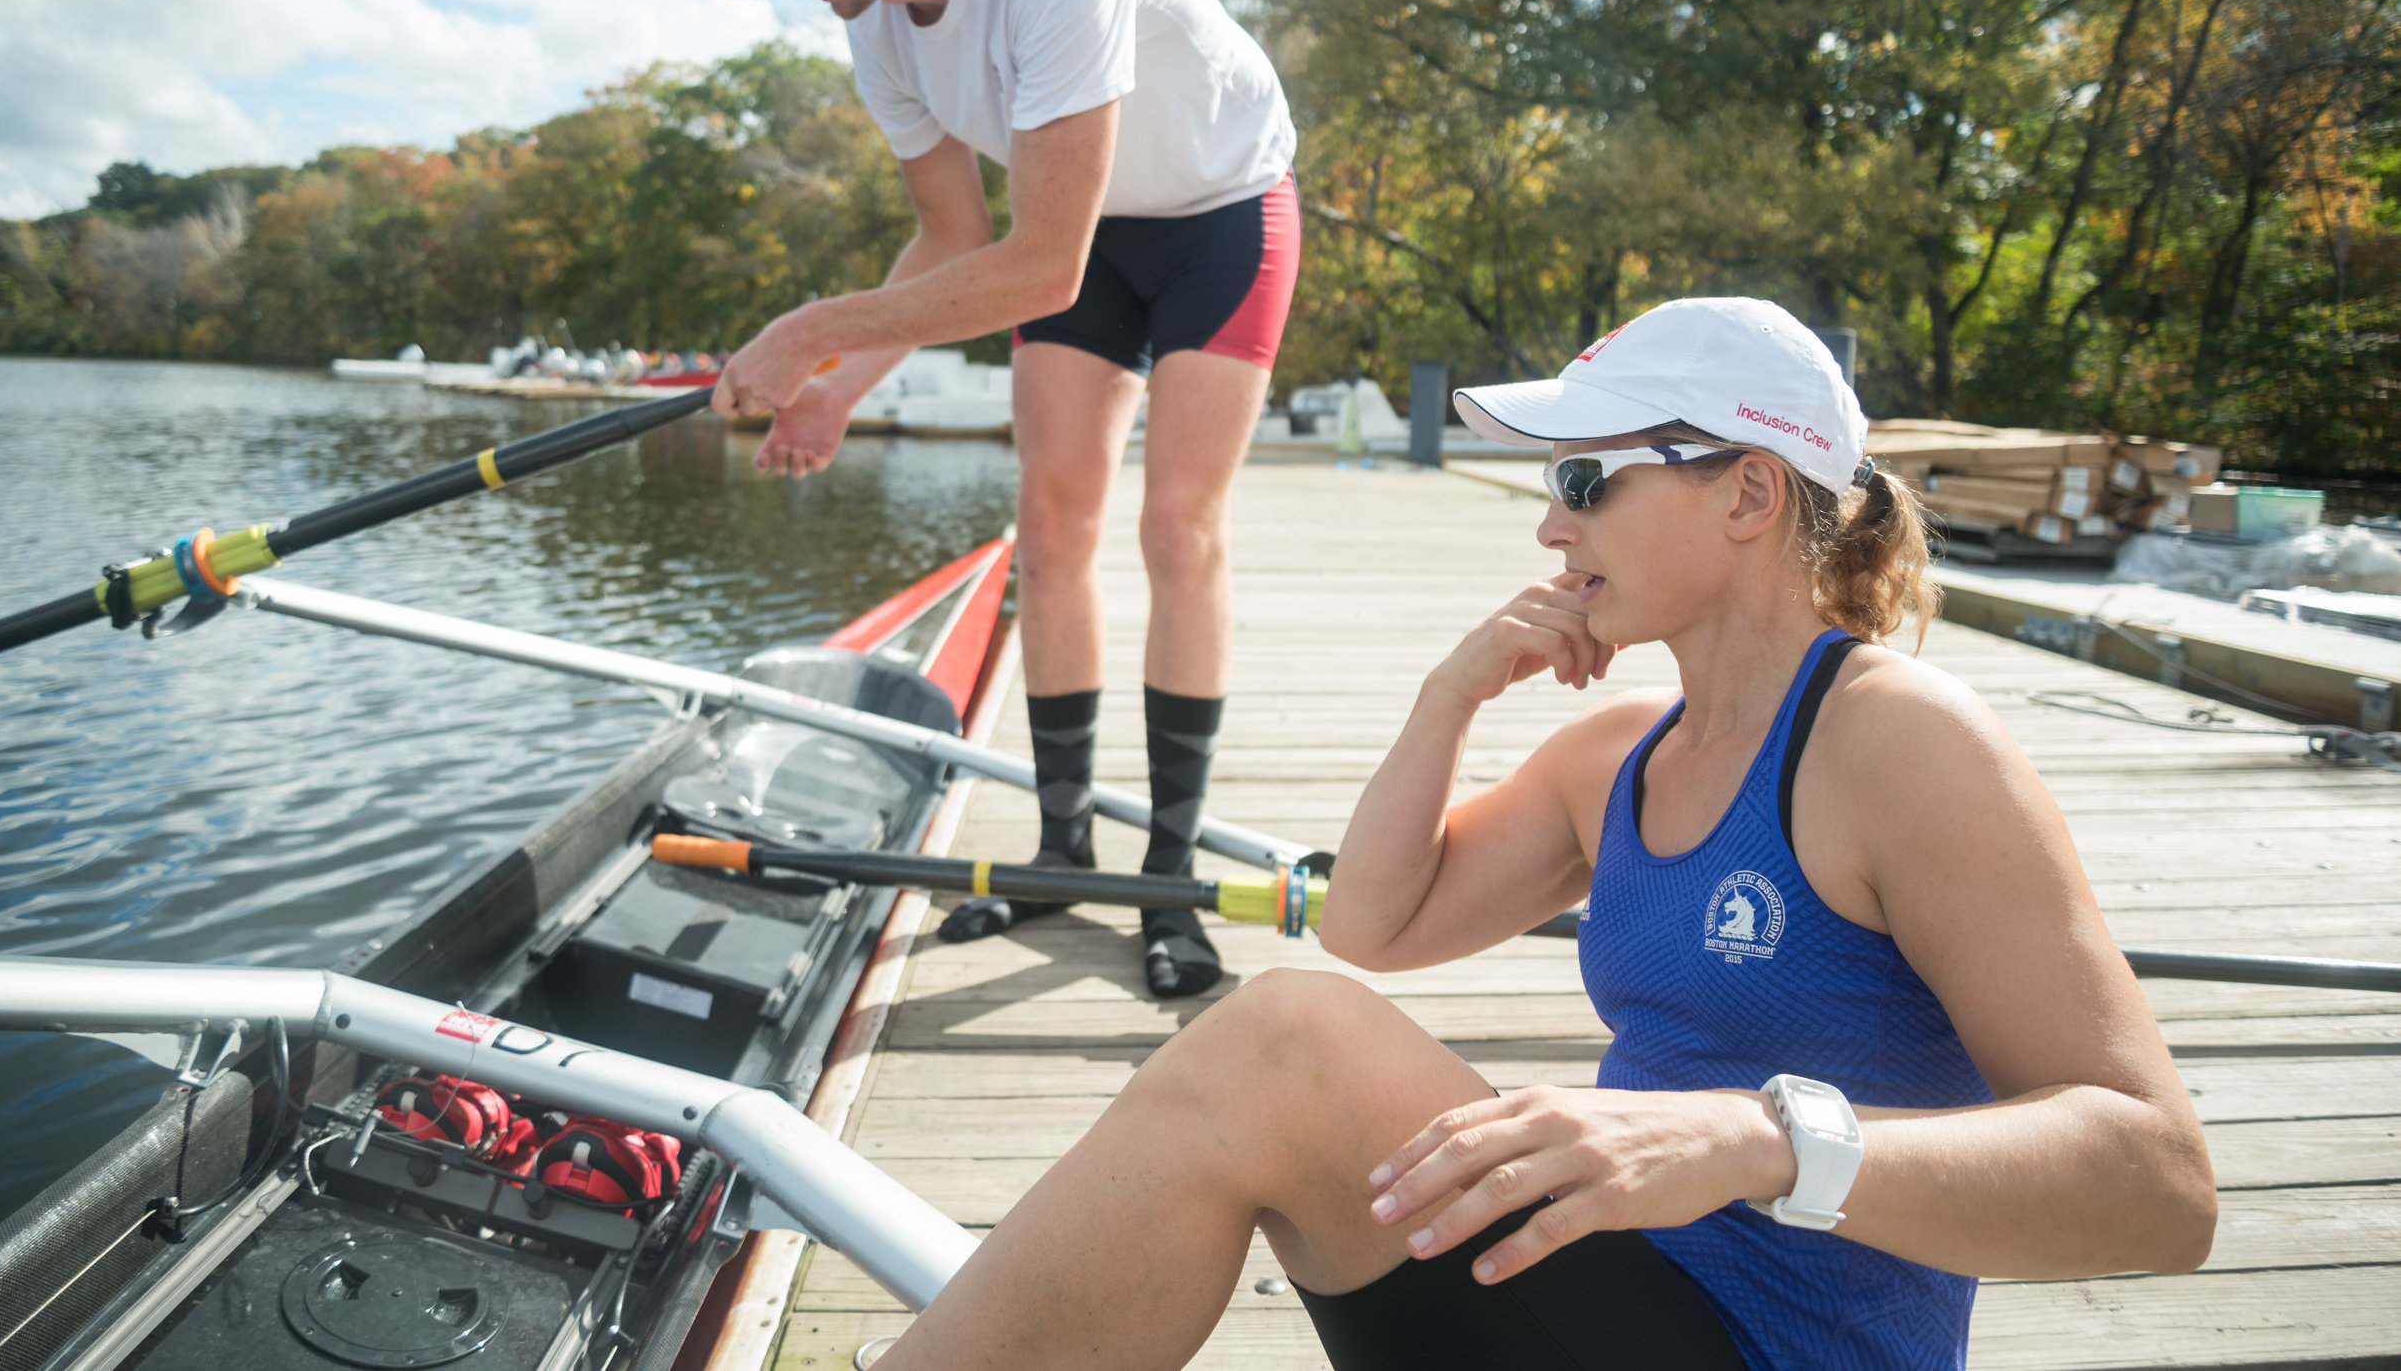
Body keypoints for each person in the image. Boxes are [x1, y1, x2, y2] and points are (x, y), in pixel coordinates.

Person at [867, 297, 2217, 1369]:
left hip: (1780, 1342)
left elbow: (2159, 1185)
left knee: (1292, 1043)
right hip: (1600, 1285)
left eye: (1585, 475)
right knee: (1292, 1037)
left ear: (1749, 496)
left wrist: (1754, 1141)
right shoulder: (1615, 752)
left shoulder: (1903, 744)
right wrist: (1446, 696)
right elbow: (1371, 925)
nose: (1548, 520)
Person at [711, 0, 1299, 998]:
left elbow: (1035, 263)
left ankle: (1172, 877)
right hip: (1066, 241)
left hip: (1215, 215)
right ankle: (1059, 847)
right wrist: (836, 383)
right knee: (1048, 527)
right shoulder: (875, 29)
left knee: (1176, 528)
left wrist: (810, 323)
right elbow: (950, 242)